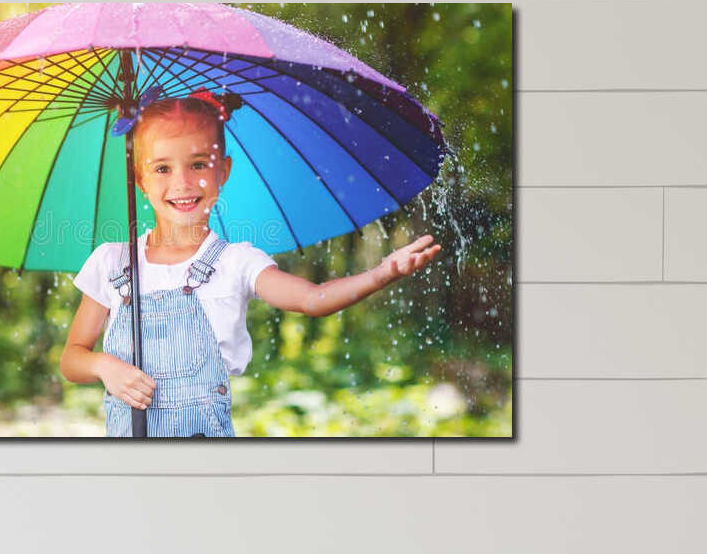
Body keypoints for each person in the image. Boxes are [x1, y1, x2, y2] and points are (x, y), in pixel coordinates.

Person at [58, 87, 441, 437]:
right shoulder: (113, 263)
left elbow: (313, 299)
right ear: (138, 177)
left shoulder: (236, 262)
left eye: (198, 164)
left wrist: (381, 273)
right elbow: (72, 358)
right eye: (162, 168)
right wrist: (104, 366)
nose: (182, 183)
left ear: (223, 170)